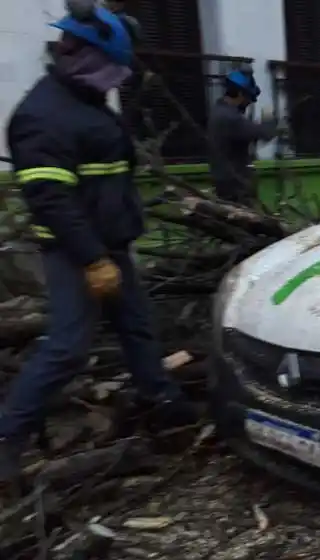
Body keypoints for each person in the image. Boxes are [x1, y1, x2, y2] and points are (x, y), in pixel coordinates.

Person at [0, 1, 197, 482]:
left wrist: (112, 249)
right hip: (75, 254)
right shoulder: (42, 116)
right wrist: (92, 260)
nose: (119, 78)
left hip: (111, 247)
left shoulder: (85, 105)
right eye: (114, 68)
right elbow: (51, 200)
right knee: (67, 347)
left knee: (137, 326)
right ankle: (7, 437)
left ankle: (167, 407)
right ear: (86, 58)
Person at [208, 68, 278, 204]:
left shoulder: (218, 110)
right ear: (240, 94)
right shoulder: (230, 118)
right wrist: (268, 117)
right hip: (235, 186)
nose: (249, 103)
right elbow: (265, 133)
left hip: (224, 181)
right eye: (248, 98)